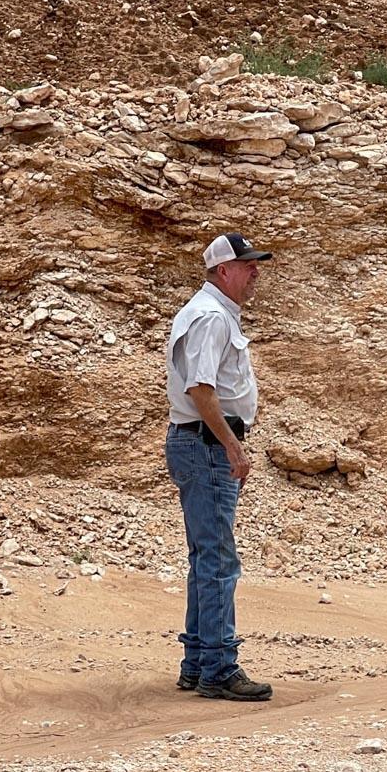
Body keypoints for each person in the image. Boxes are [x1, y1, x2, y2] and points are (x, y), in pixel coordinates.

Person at [164, 232, 274, 701]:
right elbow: (201, 390)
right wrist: (232, 446)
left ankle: (198, 661)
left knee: (206, 558)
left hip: (199, 444)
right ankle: (218, 668)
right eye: (247, 265)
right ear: (222, 271)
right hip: (207, 446)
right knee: (218, 561)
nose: (255, 272)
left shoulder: (210, 313)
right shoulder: (211, 318)